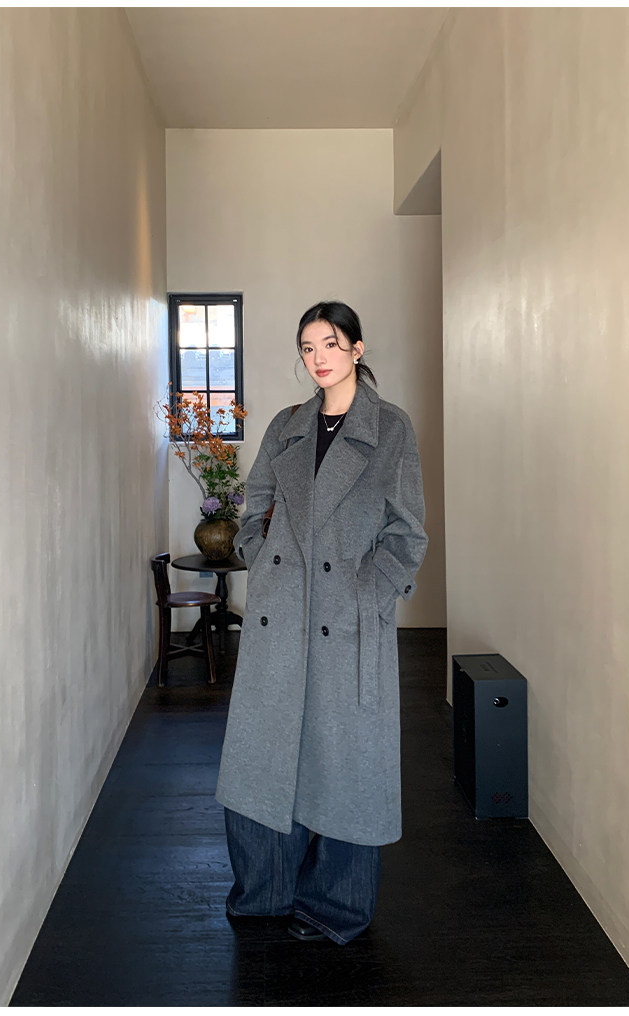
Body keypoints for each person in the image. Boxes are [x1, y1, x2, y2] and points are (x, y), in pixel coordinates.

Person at [215, 300, 428, 944]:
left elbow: (407, 533)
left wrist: (369, 594)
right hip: (280, 615)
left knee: (344, 763)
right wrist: (260, 554)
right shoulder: (286, 425)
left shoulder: (390, 428)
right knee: (264, 756)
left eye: (331, 343)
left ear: (357, 348)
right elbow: (254, 505)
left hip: (348, 619)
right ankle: (264, 892)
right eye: (308, 347)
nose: (318, 358)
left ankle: (336, 904)